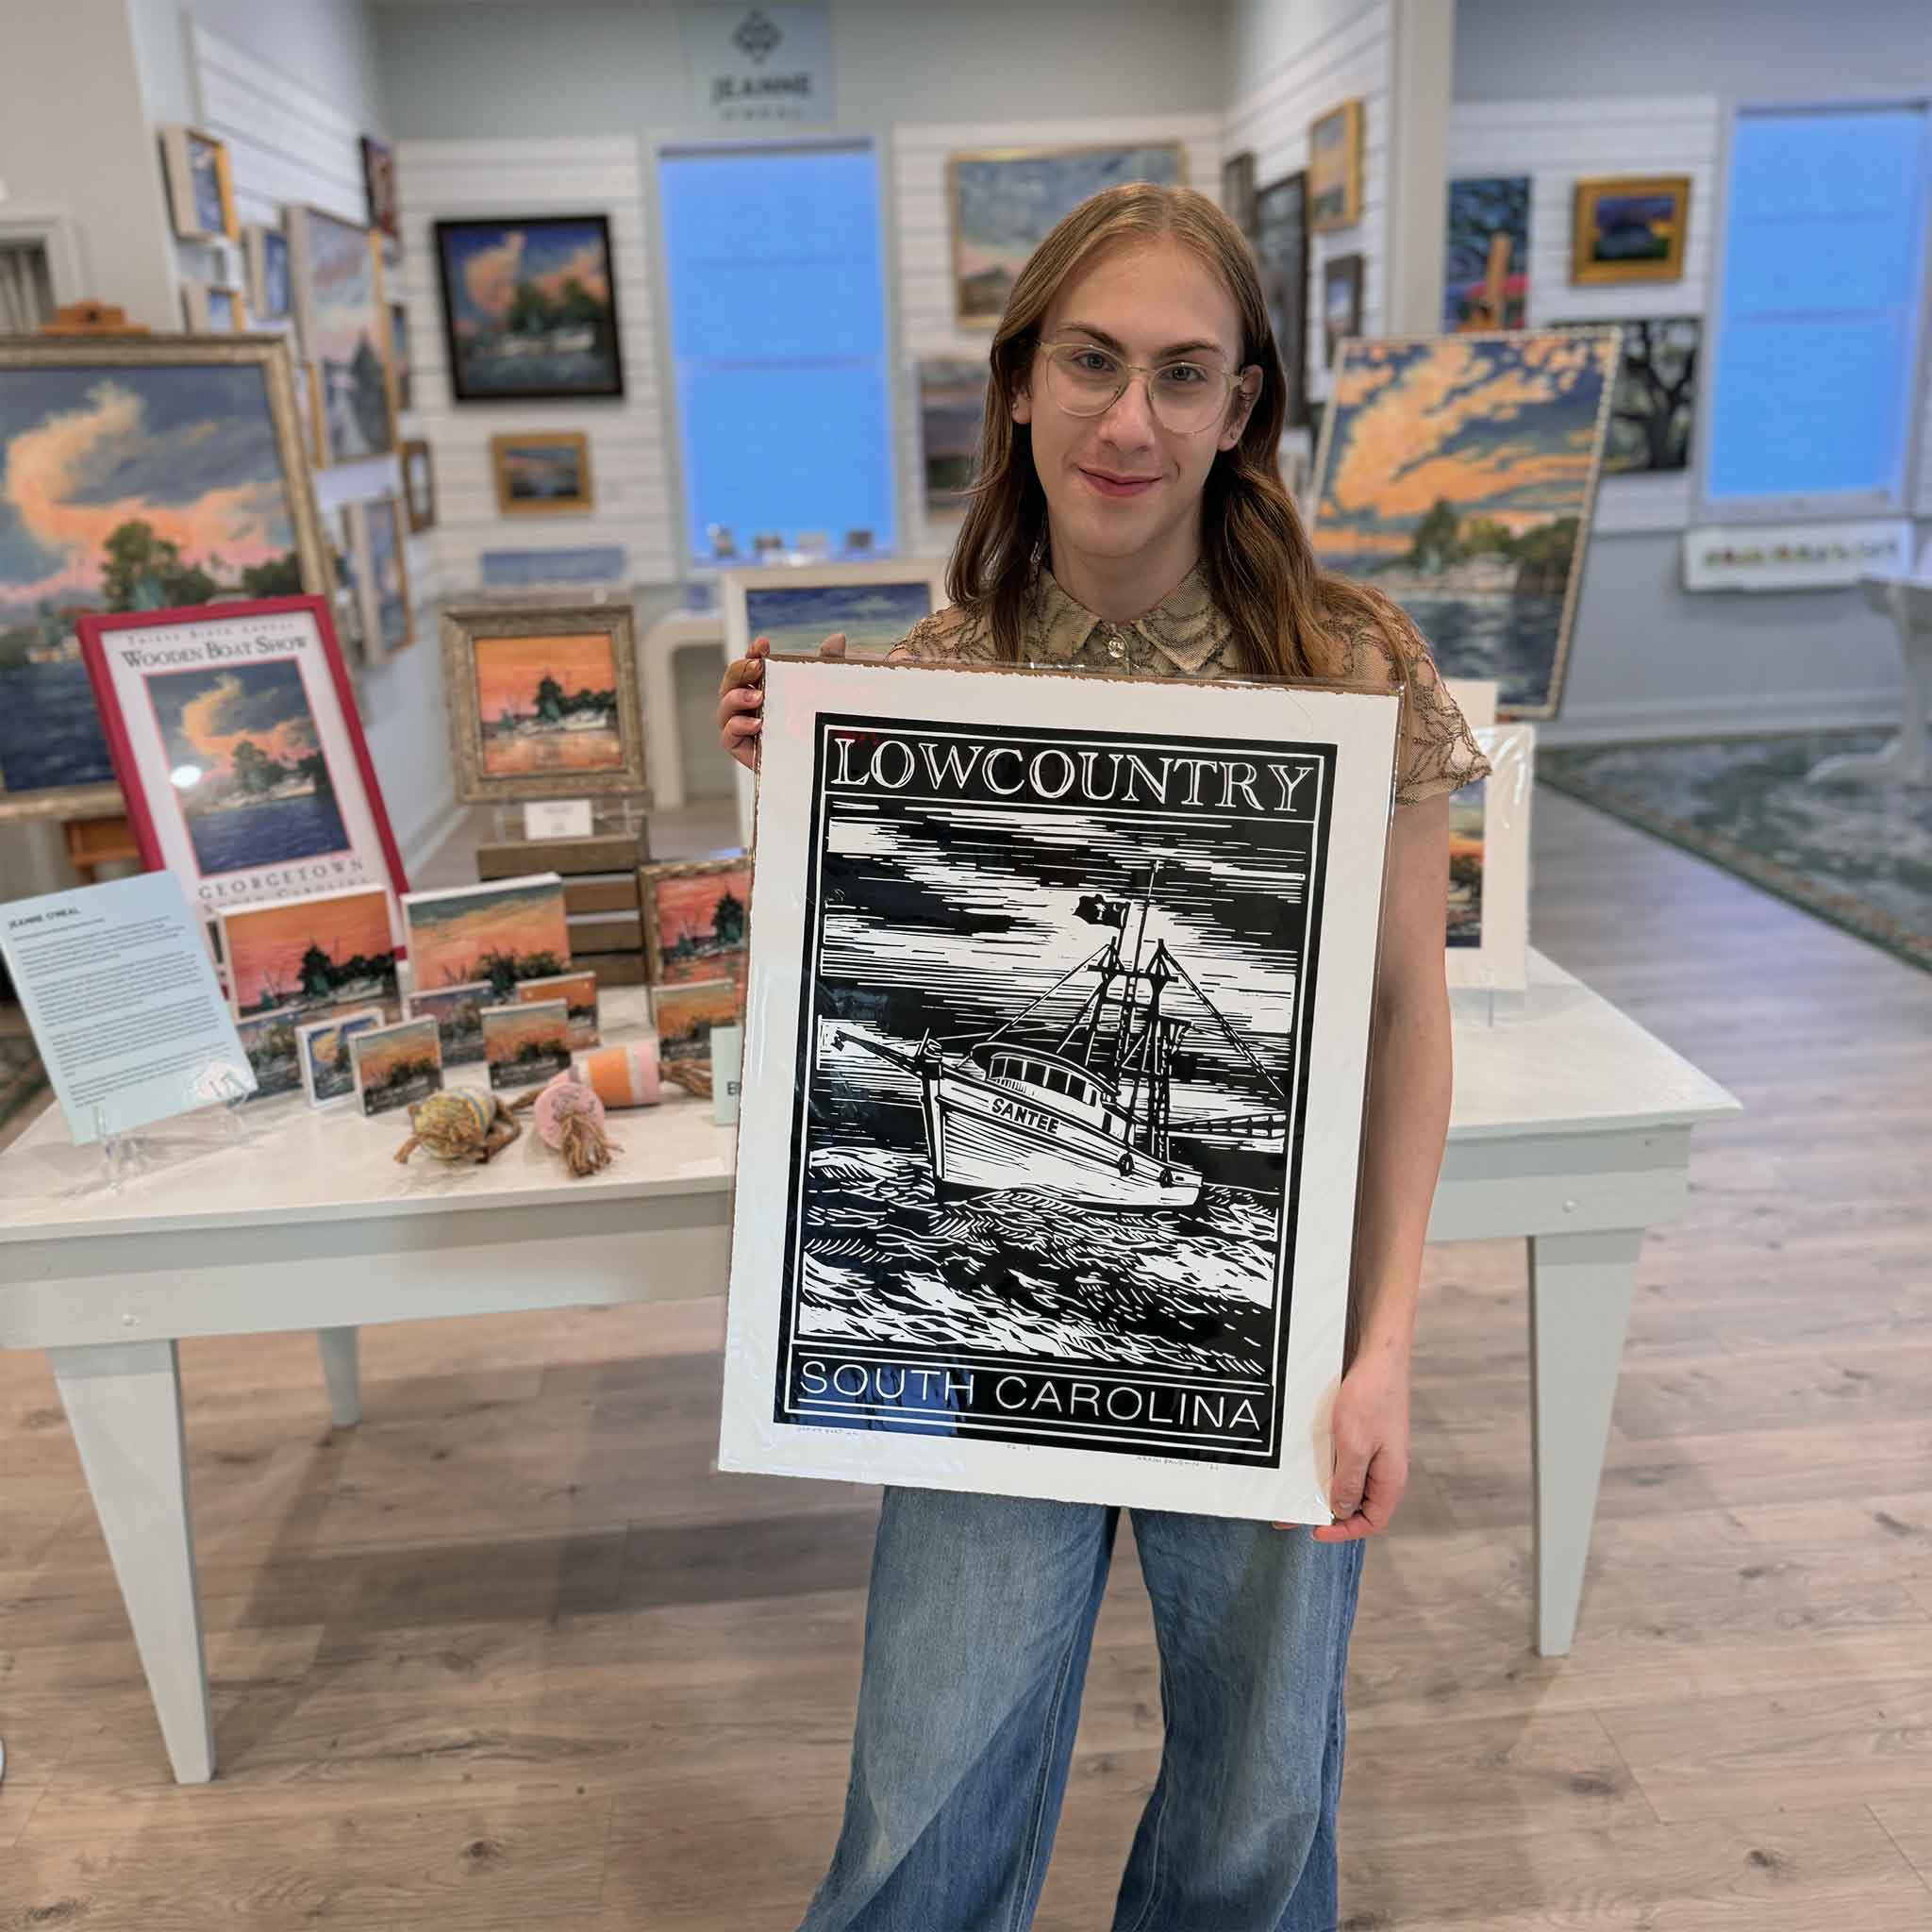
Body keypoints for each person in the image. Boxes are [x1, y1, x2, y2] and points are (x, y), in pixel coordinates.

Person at [715, 183, 1489, 1932]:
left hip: (1270, 1337)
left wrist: (1381, 1351)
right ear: (1018, 385)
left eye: (1182, 373)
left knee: (1255, 1807)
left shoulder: (1355, 664)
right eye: (1090, 361)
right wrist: (787, 797)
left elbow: (1401, 1023)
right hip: (987, 1352)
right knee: (922, 1801)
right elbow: (851, 1022)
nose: (1130, 418)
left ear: (1241, 409)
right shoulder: (931, 675)